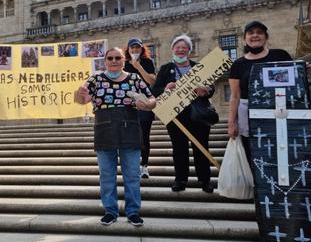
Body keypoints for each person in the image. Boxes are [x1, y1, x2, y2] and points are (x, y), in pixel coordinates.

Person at [75, 47, 156, 226]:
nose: (114, 61)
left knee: (132, 175)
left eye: (117, 57)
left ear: (123, 60)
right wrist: (78, 95)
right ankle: (110, 211)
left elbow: (152, 99)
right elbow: (82, 99)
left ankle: (133, 212)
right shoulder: (95, 79)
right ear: (105, 62)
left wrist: (147, 105)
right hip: (104, 130)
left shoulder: (134, 79)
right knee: (106, 175)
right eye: (110, 58)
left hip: (130, 130)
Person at [151, 34, 215, 193]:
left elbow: (211, 88)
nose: (180, 50)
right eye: (177, 47)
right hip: (175, 115)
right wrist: (166, 89)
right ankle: (180, 180)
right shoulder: (166, 69)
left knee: (201, 146)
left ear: (188, 50)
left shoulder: (198, 67)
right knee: (179, 148)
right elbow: (156, 90)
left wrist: (205, 90)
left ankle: (205, 180)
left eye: (184, 47)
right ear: (173, 49)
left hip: (198, 113)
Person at [228, 21, 292, 162]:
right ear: (244, 39)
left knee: (279, 150)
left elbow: (293, 80)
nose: (255, 35)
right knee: (251, 153)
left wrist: (303, 69)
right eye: (251, 33)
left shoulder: (280, 56)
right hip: (248, 116)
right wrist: (232, 122)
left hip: (278, 112)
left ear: (266, 37)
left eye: (259, 32)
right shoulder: (238, 65)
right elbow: (235, 96)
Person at [124, 38, 157, 180]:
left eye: (138, 48)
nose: (135, 50)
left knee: (144, 136)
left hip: (144, 103)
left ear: (142, 49)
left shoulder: (147, 62)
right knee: (130, 136)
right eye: (132, 48)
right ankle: (132, 166)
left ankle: (144, 166)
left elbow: (151, 81)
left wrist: (139, 67)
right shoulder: (123, 63)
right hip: (128, 105)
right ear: (128, 49)